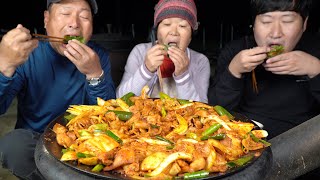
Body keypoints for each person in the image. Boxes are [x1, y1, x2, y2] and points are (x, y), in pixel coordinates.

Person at [0, 0, 115, 179]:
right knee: (12, 146)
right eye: (65, 13)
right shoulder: (27, 54)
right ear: (46, 19)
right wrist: (5, 65)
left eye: (84, 16)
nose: (74, 23)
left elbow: (110, 116)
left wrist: (95, 74)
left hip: (83, 143)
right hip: (35, 141)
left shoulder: (98, 56)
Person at [209, 0, 320, 139]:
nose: (275, 33)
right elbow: (214, 111)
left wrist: (316, 69)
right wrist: (234, 71)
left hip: (302, 143)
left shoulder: (316, 50)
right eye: (266, 22)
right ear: (254, 25)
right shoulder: (234, 51)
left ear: (304, 24)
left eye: (287, 21)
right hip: (242, 137)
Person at [116, 0, 210, 103]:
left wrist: (183, 75)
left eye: (182, 26)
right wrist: (146, 69)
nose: (174, 32)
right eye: (166, 24)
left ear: (190, 37)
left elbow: (202, 108)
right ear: (156, 32)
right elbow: (121, 99)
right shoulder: (139, 52)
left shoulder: (200, 61)